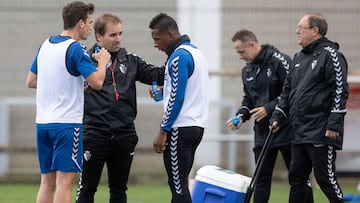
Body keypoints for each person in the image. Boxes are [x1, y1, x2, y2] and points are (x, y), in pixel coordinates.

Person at [25, 1, 110, 203]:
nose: (90, 27)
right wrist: (103, 62)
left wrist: (70, 86)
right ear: (80, 23)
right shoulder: (76, 49)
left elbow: (31, 80)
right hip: (67, 126)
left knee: (46, 182)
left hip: (43, 123)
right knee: (65, 184)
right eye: (89, 22)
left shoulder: (45, 45)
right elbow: (97, 82)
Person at [75, 13, 165, 203]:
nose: (118, 39)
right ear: (99, 37)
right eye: (113, 35)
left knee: (119, 190)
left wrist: (176, 53)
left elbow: (159, 74)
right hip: (94, 133)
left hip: (124, 134)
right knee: (86, 189)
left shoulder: (130, 60)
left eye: (120, 34)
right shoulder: (85, 60)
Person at [226, 29, 313, 203]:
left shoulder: (280, 60)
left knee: (299, 179)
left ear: (252, 44)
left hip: (288, 129)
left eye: (241, 52)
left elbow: (292, 91)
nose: (240, 57)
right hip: (263, 132)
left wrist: (269, 108)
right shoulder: (247, 70)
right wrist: (241, 116)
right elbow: (248, 99)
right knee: (261, 180)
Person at [270, 13, 348, 203]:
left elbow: (340, 89)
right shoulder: (297, 58)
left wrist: (334, 124)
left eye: (301, 28)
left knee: (325, 179)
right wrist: (277, 116)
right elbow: (287, 92)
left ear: (315, 30)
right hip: (299, 131)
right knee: (296, 178)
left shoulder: (332, 55)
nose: (297, 31)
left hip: (321, 130)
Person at [149, 13, 209, 203]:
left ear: (171, 33)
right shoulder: (196, 52)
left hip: (179, 129)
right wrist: (163, 90)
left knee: (178, 187)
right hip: (197, 126)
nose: (156, 44)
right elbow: (185, 89)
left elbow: (178, 96)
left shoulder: (178, 57)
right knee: (181, 184)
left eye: (157, 39)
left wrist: (163, 129)